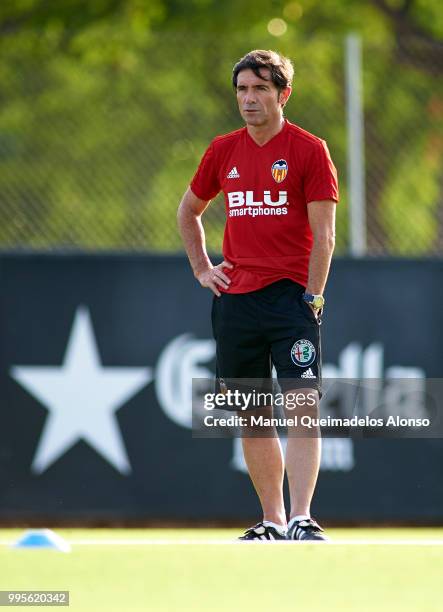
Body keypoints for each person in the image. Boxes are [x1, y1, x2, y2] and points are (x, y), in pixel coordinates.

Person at [177, 49, 338, 541]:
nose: (249, 99)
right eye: (243, 89)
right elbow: (189, 211)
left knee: (302, 404)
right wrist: (204, 269)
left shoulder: (310, 150)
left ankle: (303, 517)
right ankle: (272, 519)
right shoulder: (223, 149)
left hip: (291, 298)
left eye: (260, 89)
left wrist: (312, 296)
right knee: (252, 410)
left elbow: (325, 234)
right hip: (237, 301)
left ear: (283, 94)